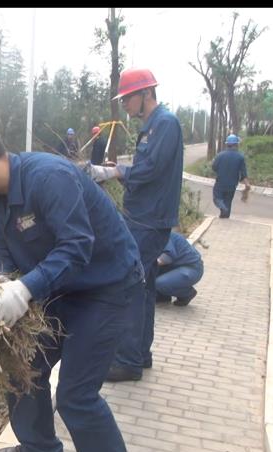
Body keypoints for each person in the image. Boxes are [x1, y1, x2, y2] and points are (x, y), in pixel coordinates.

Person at [0, 119, 145, 452]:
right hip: (61, 288)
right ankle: (40, 451)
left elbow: (76, 247)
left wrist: (24, 289)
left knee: (76, 397)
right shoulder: (0, 199)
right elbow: (1, 248)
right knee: (20, 370)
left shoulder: (49, 177)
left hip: (105, 288)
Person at [88, 68, 184, 382]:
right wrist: (120, 169)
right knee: (144, 285)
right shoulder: (152, 126)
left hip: (149, 221)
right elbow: (146, 167)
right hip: (144, 218)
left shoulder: (165, 124)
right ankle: (140, 354)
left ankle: (127, 360)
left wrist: (117, 173)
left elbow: (152, 169)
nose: (125, 105)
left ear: (146, 94)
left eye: (127, 98)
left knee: (129, 283)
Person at [155, 231, 204, 306]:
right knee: (151, 274)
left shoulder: (163, 234)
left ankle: (187, 293)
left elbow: (166, 258)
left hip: (191, 268)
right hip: (174, 267)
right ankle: (163, 296)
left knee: (158, 283)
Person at [212, 134, 250, 219]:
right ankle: (225, 217)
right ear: (236, 145)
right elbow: (243, 173)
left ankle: (223, 209)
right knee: (228, 202)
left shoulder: (220, 155)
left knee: (217, 199)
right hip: (232, 185)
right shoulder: (240, 157)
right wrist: (247, 184)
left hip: (220, 183)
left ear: (227, 144)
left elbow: (214, 167)